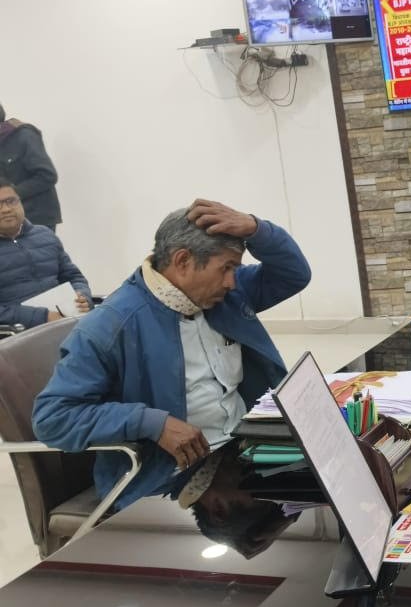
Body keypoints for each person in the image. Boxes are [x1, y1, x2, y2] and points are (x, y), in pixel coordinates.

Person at [32, 199, 311, 510]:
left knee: (329, 481)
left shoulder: (226, 293)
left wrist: (257, 229)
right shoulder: (111, 326)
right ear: (183, 261)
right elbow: (53, 419)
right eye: (227, 268)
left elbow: (294, 275)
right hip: (170, 478)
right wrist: (150, 422)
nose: (232, 281)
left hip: (241, 450)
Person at [0, 178, 91, 328]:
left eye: (11, 201)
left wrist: (82, 296)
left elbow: (74, 277)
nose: (6, 209)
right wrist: (41, 317)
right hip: (19, 333)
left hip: (69, 320)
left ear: (20, 202)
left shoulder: (45, 235)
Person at [0, 103, 62, 230]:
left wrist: (11, 193)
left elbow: (47, 175)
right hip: (8, 219)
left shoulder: (24, 136)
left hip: (37, 218)